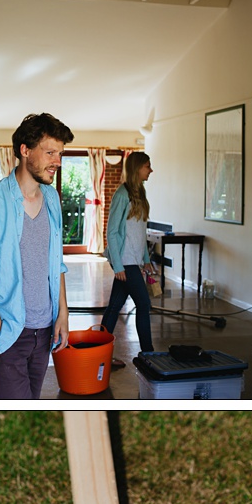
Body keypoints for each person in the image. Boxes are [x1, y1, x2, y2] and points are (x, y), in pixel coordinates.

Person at [0, 113, 74, 399]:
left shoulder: (52, 199)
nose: (58, 162)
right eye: (50, 152)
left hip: (45, 329)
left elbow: (56, 262)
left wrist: (62, 313)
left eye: (60, 154)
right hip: (9, 329)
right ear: (25, 150)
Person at [99, 152, 156, 360]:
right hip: (125, 261)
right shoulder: (122, 194)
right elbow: (112, 231)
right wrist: (118, 265)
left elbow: (139, 231)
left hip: (134, 260)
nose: (150, 170)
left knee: (114, 307)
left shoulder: (140, 193)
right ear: (137, 168)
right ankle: (148, 353)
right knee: (143, 304)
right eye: (147, 166)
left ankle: (98, 351)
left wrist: (147, 259)